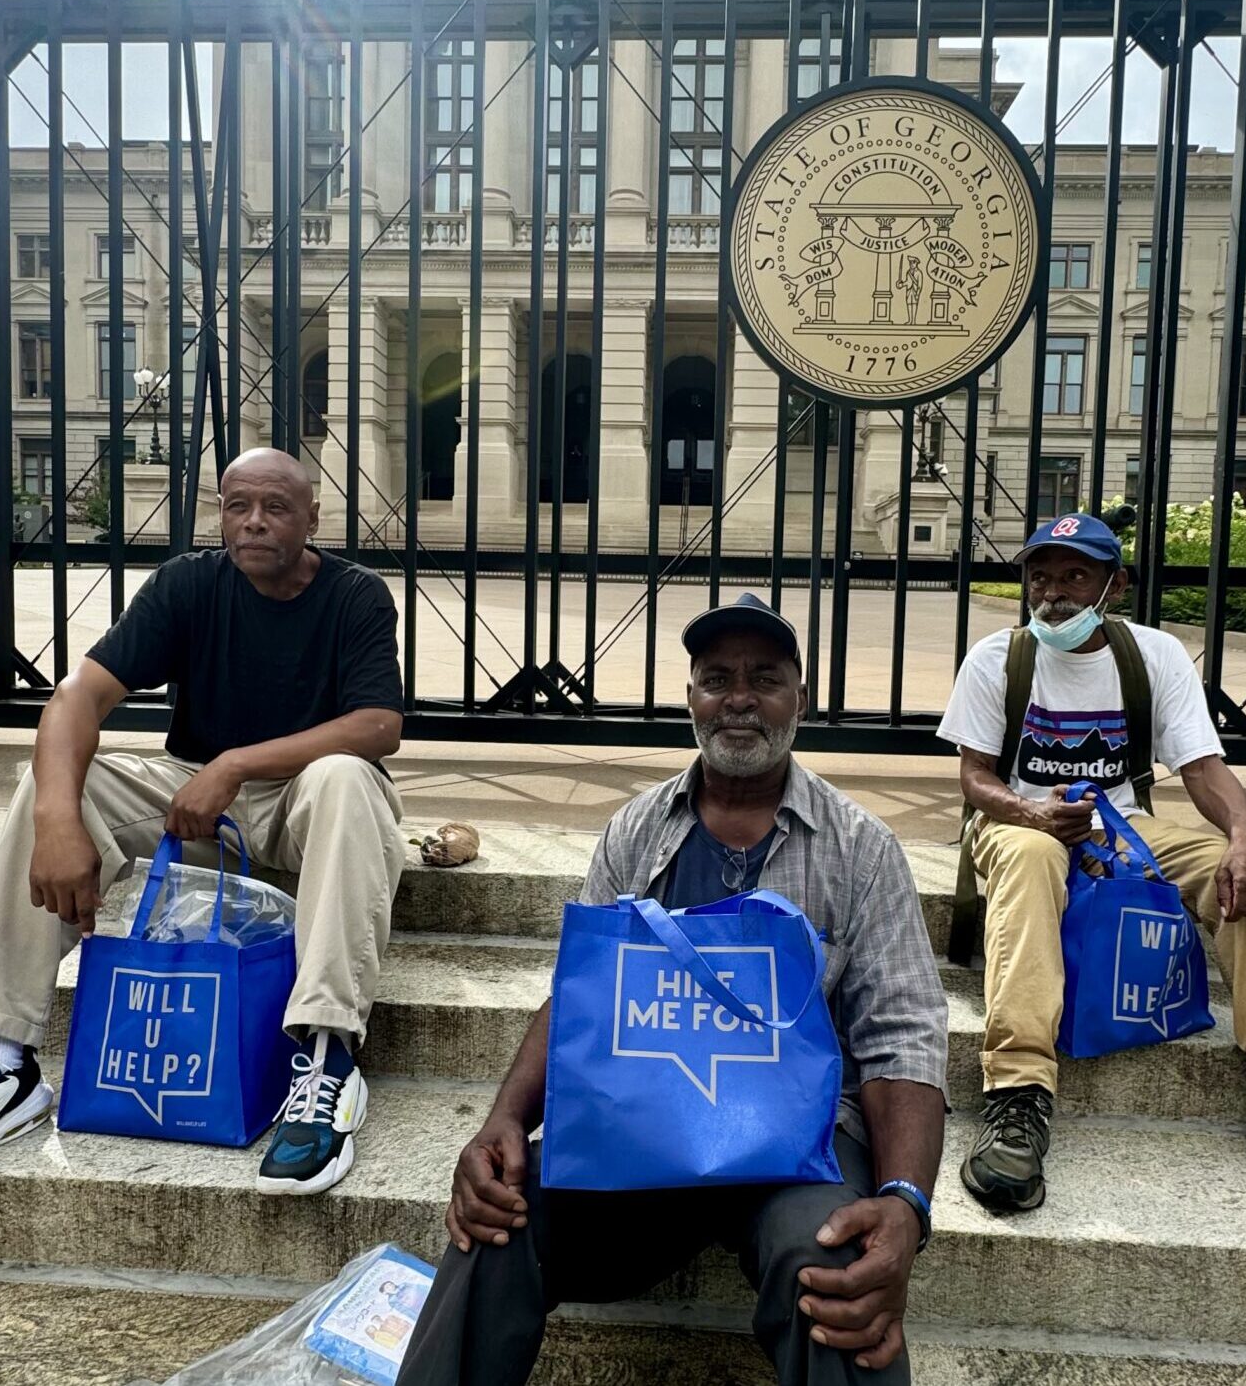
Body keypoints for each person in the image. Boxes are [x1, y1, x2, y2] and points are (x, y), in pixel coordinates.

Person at [0, 448, 408, 1203]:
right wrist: (57, 820)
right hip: (196, 807)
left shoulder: (355, 594)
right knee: (64, 782)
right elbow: (79, 695)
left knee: (346, 776)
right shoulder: (188, 583)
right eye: (237, 505)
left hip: (305, 804)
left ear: (312, 518)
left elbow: (377, 725)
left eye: (275, 507)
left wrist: (234, 763)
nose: (253, 522)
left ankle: (327, 1056)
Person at [400, 594, 947, 1386]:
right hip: (644, 1132)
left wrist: (905, 1200)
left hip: (802, 1149)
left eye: (764, 678)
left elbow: (903, 1036)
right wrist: (503, 1120)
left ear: (801, 699)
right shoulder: (636, 830)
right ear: (690, 697)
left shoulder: (861, 847)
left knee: (835, 1265)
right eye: (716, 678)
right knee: (500, 1216)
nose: (739, 698)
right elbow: (580, 999)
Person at [938, 511, 1246, 1213]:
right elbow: (975, 778)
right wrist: (1033, 811)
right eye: (1039, 577)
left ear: (1115, 585)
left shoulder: (1154, 655)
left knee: (1237, 872)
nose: (1053, 592)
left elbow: (1201, 767)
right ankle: (1016, 1092)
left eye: (1074, 575)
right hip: (1018, 824)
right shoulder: (997, 658)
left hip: (1123, 827)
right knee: (1035, 854)